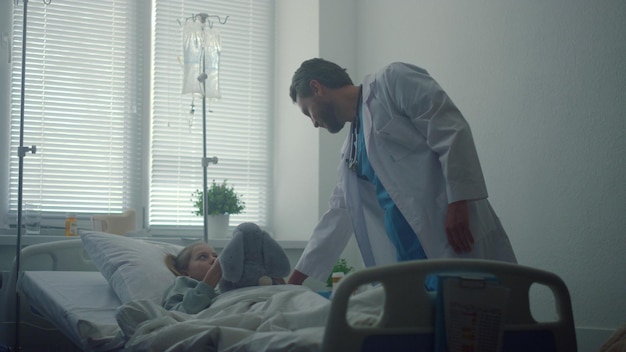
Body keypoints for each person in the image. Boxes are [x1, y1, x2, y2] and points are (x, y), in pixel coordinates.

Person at [287, 58, 517, 286]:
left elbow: (450, 130)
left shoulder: (391, 82)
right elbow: (338, 212)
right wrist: (295, 281)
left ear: (317, 88)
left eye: (309, 113)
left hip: (452, 237)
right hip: (408, 258)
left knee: (473, 313)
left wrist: (459, 201)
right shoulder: (351, 150)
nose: (314, 123)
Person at [163, 242, 222, 313]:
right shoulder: (182, 283)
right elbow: (175, 313)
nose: (214, 260)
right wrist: (207, 286)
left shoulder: (223, 284)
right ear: (185, 273)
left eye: (215, 256)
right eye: (203, 257)